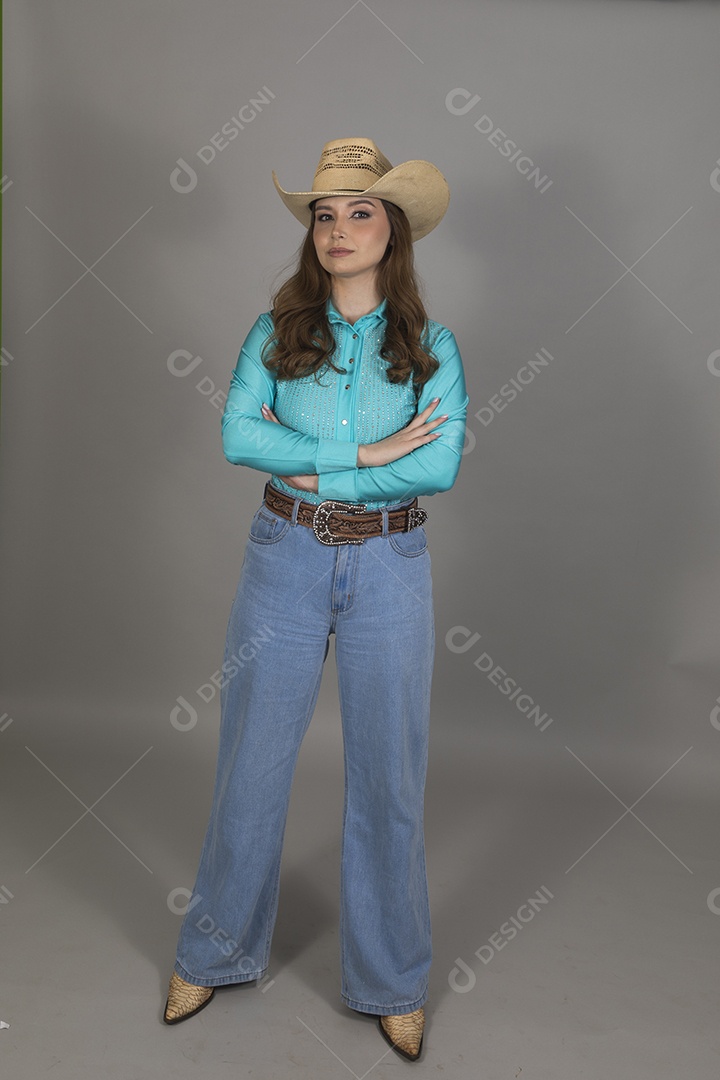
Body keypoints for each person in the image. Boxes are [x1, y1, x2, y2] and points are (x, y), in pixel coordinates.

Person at [162, 137, 469, 1062]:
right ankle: (213, 954)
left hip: (390, 566)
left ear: (394, 231)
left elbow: (441, 463)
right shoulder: (274, 333)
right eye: (324, 215)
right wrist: (371, 456)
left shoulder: (433, 347)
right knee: (251, 761)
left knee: (389, 776)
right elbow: (235, 440)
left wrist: (333, 461)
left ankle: (391, 980)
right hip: (283, 554)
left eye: (360, 212)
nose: (338, 229)